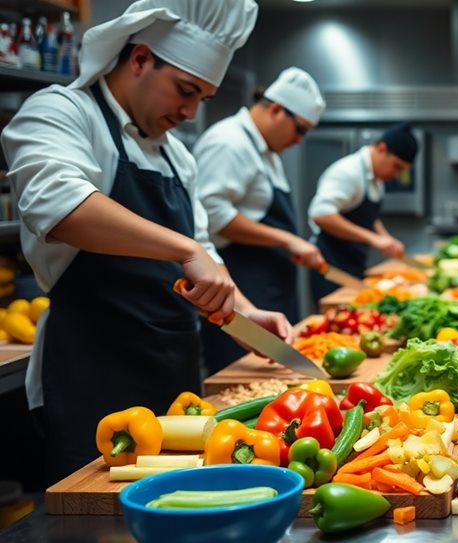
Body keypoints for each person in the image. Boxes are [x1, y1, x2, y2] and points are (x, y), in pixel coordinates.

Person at [0, 0, 292, 484]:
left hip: (175, 378)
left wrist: (242, 313)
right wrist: (185, 250)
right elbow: (59, 205)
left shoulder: (179, 156)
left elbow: (203, 246)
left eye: (202, 98)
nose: (189, 110)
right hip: (91, 379)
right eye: (184, 90)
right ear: (139, 59)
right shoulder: (62, 111)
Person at [194, 67, 325, 373]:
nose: (299, 141)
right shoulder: (229, 142)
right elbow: (211, 216)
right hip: (242, 291)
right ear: (278, 110)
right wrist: (287, 239)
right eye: (300, 130)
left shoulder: (265, 152)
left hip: (269, 292)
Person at [308, 122, 416, 303]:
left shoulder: (377, 178)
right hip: (331, 266)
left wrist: (385, 238)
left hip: (354, 262)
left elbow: (368, 217)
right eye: (396, 166)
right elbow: (321, 214)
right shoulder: (348, 172)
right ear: (382, 149)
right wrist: (373, 238)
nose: (396, 174)